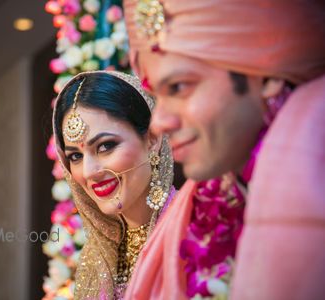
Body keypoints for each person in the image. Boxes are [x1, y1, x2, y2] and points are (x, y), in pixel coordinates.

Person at [122, 0, 325, 299]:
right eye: (156, 95)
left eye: (179, 87)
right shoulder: (197, 206)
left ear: (266, 76)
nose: (159, 122)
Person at [52, 70, 176, 299]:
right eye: (75, 157)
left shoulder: (191, 230)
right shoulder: (95, 262)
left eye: (105, 146)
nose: (90, 172)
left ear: (152, 140)